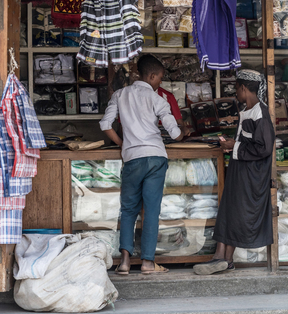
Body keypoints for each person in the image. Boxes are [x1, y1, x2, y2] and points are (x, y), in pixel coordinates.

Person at [100, 54, 189, 275]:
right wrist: (183, 132)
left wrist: (123, 144)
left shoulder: (120, 95)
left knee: (128, 210)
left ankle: (124, 262)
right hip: (156, 158)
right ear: (151, 76)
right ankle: (148, 263)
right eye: (159, 78)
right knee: (150, 211)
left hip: (132, 158)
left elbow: (105, 124)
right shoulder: (158, 99)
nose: (160, 83)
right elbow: (174, 132)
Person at [193, 69, 275, 275]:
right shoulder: (247, 109)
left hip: (251, 175)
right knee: (229, 210)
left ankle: (223, 258)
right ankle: (222, 258)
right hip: (241, 171)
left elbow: (264, 148)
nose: (235, 93)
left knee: (236, 213)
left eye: (236, 88)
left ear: (244, 88)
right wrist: (232, 145)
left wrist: (234, 145)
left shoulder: (260, 113)